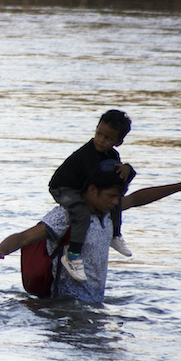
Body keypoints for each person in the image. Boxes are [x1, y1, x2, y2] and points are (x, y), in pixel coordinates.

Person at [0, 168, 181, 302]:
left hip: (91, 307)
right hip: (63, 310)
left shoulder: (106, 214)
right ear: (92, 191)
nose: (116, 203)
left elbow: (136, 199)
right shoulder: (67, 216)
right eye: (111, 197)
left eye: (118, 198)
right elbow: (24, 237)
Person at [49, 109, 137, 283]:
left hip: (83, 187)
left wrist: (128, 169)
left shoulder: (113, 155)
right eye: (99, 134)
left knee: (115, 199)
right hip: (64, 188)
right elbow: (96, 180)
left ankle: (115, 235)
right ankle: (72, 256)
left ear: (118, 142)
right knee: (82, 213)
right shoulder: (88, 154)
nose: (100, 140)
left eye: (107, 138)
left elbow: (114, 182)